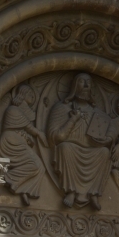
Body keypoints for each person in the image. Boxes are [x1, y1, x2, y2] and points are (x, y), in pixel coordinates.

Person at [47, 73, 112, 210]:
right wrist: (73, 119)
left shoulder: (98, 114)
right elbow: (55, 137)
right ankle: (71, 191)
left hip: (92, 150)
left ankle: (94, 193)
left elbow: (106, 137)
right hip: (71, 148)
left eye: (89, 82)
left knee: (104, 152)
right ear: (74, 86)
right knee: (65, 147)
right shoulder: (62, 108)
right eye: (82, 81)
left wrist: (103, 140)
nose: (86, 85)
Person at [0, 85, 50, 206]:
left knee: (40, 167)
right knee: (35, 164)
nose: (33, 96)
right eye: (30, 93)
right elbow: (28, 127)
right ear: (22, 94)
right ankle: (4, 179)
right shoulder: (13, 110)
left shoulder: (24, 112)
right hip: (10, 142)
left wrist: (45, 106)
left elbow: (33, 119)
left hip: (18, 141)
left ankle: (22, 188)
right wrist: (39, 134)